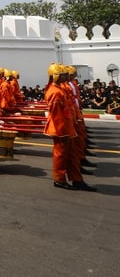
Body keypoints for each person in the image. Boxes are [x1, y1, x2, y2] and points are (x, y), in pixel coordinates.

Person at [44, 63, 96, 192]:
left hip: (68, 127)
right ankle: (59, 179)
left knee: (72, 154)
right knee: (61, 155)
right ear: (55, 76)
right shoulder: (55, 92)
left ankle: (77, 179)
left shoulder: (59, 89)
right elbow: (57, 116)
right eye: (62, 75)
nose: (65, 77)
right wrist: (64, 131)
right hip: (61, 129)